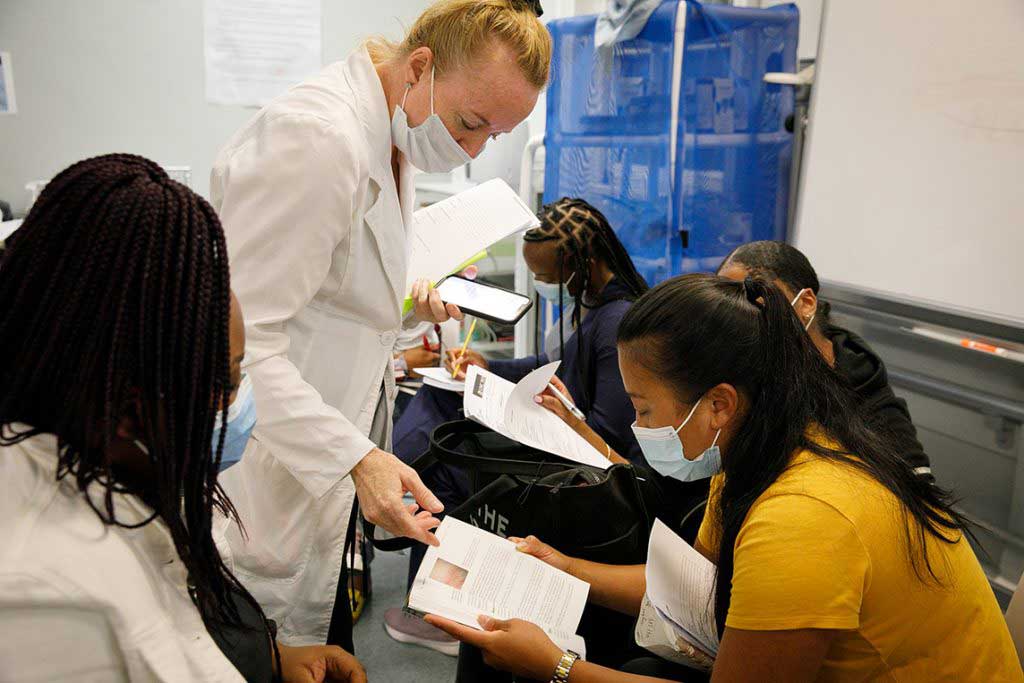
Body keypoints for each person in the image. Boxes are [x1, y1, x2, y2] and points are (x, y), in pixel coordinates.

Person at [427, 273, 1022, 682]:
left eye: (644, 408)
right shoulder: (755, 455)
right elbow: (697, 590)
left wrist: (557, 667)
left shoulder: (804, 516)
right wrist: (562, 566)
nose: (637, 428)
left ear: (718, 404)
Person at [209, 0, 552, 647]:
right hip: (271, 474)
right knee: (262, 643)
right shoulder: (317, 139)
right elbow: (243, 347)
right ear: (420, 66)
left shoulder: (395, 136)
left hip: (323, 473)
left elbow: (332, 305)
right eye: (471, 123)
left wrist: (402, 318)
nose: (473, 148)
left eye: (494, 137)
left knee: (316, 642)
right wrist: (359, 458)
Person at [0, 154, 366, 682]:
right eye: (226, 385)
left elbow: (182, 619)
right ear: (126, 407)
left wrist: (274, 661)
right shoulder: (50, 598)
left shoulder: (107, 460)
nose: (239, 407)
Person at [382, 197, 650, 654]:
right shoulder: (589, 305)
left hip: (591, 471)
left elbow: (606, 434)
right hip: (564, 439)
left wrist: (544, 414)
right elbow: (551, 364)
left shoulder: (616, 324)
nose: (544, 285)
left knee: (447, 462)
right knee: (442, 420)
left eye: (546, 278)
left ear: (579, 264)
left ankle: (446, 605)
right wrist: (489, 367)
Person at [717, 240, 932, 478]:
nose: (738, 317)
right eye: (729, 303)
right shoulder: (739, 364)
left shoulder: (858, 374)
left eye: (753, 301)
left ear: (806, 303)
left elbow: (911, 467)